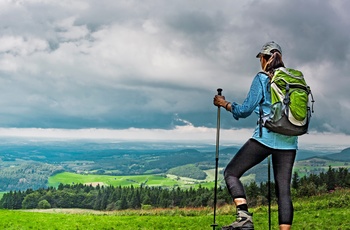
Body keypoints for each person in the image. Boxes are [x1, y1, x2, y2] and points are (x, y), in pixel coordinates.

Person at [213, 41, 297, 230]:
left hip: (265, 138)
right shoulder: (292, 80)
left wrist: (224, 104)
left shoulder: (262, 78)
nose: (260, 62)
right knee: (284, 191)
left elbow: (244, 110)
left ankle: (244, 219)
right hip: (290, 141)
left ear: (265, 59)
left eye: (261, 58)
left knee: (231, 173)